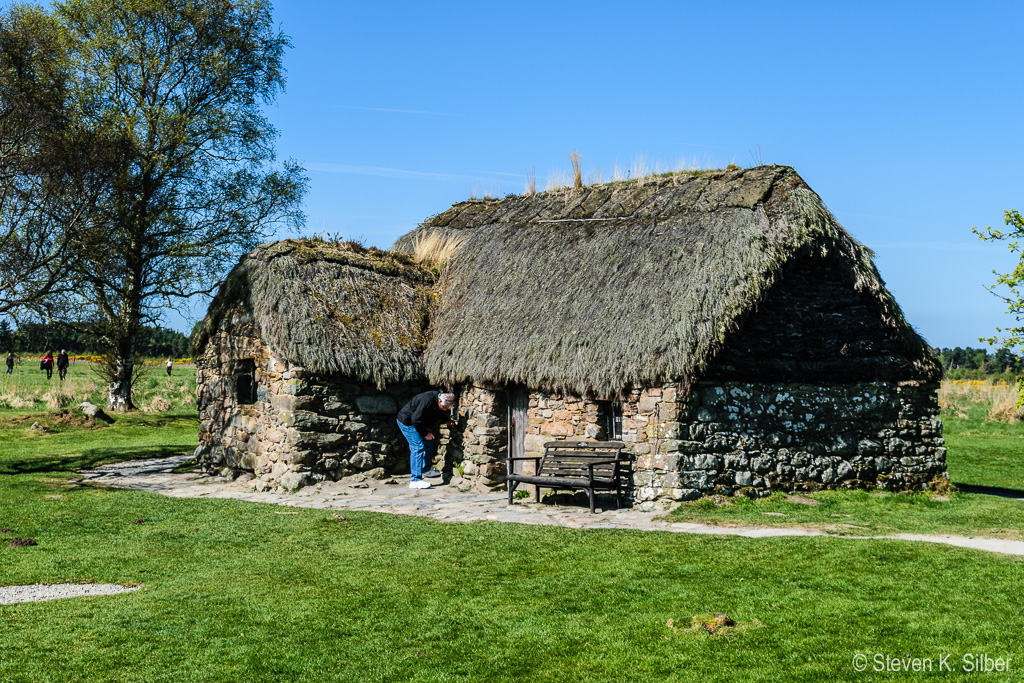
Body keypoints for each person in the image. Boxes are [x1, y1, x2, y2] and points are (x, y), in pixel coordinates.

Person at [396, 391, 456, 489]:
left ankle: (425, 470)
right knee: (418, 447)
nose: (445, 409)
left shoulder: (437, 400)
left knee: (429, 441)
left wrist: (446, 420)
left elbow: (437, 411)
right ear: (440, 401)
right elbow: (415, 419)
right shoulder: (426, 401)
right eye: (445, 407)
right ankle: (415, 480)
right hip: (407, 422)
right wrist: (425, 433)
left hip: (418, 422)